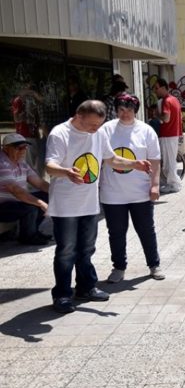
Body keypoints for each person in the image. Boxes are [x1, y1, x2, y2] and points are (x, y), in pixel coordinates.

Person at [45, 100, 152, 314]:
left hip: (90, 203)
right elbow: (49, 165)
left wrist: (134, 164)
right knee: (67, 251)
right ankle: (62, 294)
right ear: (79, 116)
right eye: (92, 124)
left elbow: (111, 159)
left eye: (99, 125)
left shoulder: (98, 133)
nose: (96, 129)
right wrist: (66, 172)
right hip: (66, 205)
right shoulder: (60, 134)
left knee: (87, 249)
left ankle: (86, 288)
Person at [98, 92, 165, 283]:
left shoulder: (146, 131)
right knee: (116, 232)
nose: (125, 113)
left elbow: (155, 160)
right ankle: (119, 267)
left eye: (128, 109)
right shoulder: (106, 130)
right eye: (120, 109)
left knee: (146, 230)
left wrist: (154, 185)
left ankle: (154, 264)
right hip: (112, 193)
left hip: (140, 192)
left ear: (136, 110)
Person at [0, 133, 51, 245]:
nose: (22, 150)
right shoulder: (2, 163)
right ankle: (28, 237)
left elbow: (40, 183)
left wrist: (59, 194)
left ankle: (33, 231)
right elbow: (16, 190)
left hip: (15, 202)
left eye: (24, 147)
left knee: (47, 196)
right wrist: (40, 203)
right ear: (6, 148)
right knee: (31, 207)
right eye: (18, 147)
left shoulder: (21, 163)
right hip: (3, 205)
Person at [152, 78, 183, 193]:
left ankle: (174, 184)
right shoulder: (174, 99)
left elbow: (166, 118)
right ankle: (174, 182)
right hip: (173, 134)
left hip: (167, 134)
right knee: (170, 161)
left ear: (163, 87)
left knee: (168, 162)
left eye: (156, 88)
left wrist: (156, 115)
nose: (155, 91)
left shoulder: (166, 101)